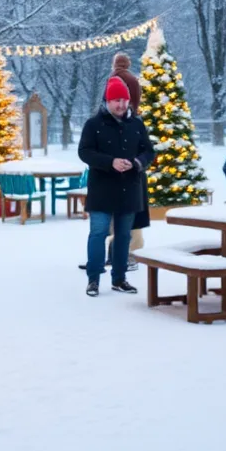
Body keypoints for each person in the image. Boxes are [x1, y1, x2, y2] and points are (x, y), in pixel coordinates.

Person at [78, 77, 154, 297]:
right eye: (116, 100)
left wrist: (138, 162)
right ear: (107, 101)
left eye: (124, 100)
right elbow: (85, 152)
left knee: (123, 236)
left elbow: (148, 151)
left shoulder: (137, 124)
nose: (121, 105)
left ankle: (119, 279)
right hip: (102, 188)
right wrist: (110, 162)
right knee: (98, 233)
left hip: (129, 188)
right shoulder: (93, 124)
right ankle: (93, 279)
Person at [111, 51, 147, 269]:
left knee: (117, 209)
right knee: (131, 208)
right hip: (132, 154)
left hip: (120, 146)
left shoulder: (114, 80)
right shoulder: (135, 80)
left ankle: (121, 253)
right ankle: (130, 252)